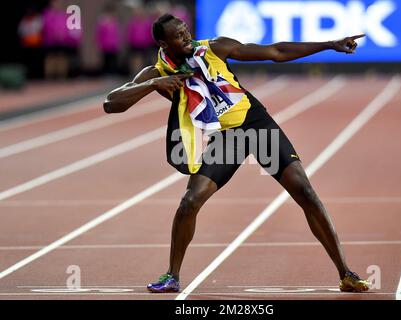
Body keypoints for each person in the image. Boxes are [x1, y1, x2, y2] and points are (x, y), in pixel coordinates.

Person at [103, 14, 370, 294]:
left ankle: (346, 274)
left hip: (255, 124)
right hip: (226, 138)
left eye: (186, 31)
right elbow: (111, 104)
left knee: (304, 191)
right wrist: (151, 85)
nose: (187, 38)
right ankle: (172, 276)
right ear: (162, 43)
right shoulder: (157, 73)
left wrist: (329, 44)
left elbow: (276, 52)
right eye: (179, 36)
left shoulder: (215, 47)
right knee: (189, 202)